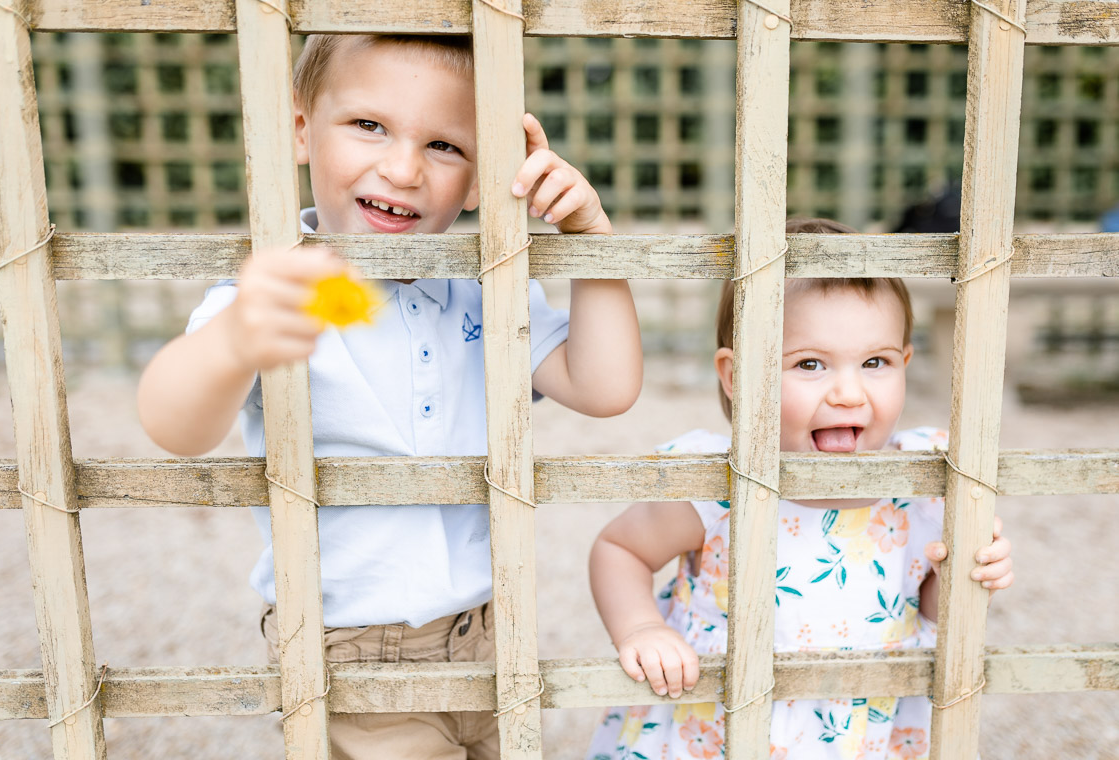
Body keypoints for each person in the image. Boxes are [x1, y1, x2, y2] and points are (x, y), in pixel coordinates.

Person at [137, 34, 642, 760]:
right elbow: (172, 423)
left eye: (445, 145)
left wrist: (592, 242)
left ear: (481, 179)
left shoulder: (483, 286)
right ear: (302, 129)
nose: (402, 168)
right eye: (369, 125)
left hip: (488, 640)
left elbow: (605, 386)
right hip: (351, 652)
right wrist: (236, 338)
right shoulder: (285, 289)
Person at [586, 218, 1013, 760]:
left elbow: (927, 609)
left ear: (906, 363)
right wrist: (642, 628)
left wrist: (964, 577)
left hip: (867, 732)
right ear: (738, 378)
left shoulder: (923, 482)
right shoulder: (718, 487)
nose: (849, 393)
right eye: (810, 364)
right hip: (725, 729)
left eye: (875, 362)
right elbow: (619, 549)